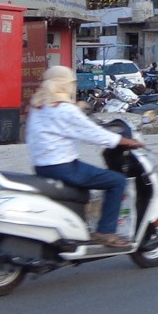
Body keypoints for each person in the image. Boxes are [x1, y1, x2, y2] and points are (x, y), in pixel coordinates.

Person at [25, 66, 143, 248]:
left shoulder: (38, 106)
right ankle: (105, 232)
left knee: (87, 187)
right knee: (117, 181)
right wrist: (125, 141)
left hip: (42, 166)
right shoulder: (64, 109)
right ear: (66, 85)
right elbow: (94, 134)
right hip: (64, 167)